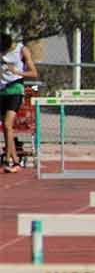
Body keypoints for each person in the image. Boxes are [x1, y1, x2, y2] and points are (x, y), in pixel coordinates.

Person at [0, 33, 38, 173]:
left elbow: (34, 73)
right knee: (5, 127)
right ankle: (12, 159)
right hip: (2, 91)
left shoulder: (22, 50)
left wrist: (16, 71)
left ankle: (12, 161)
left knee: (8, 125)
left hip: (15, 89)